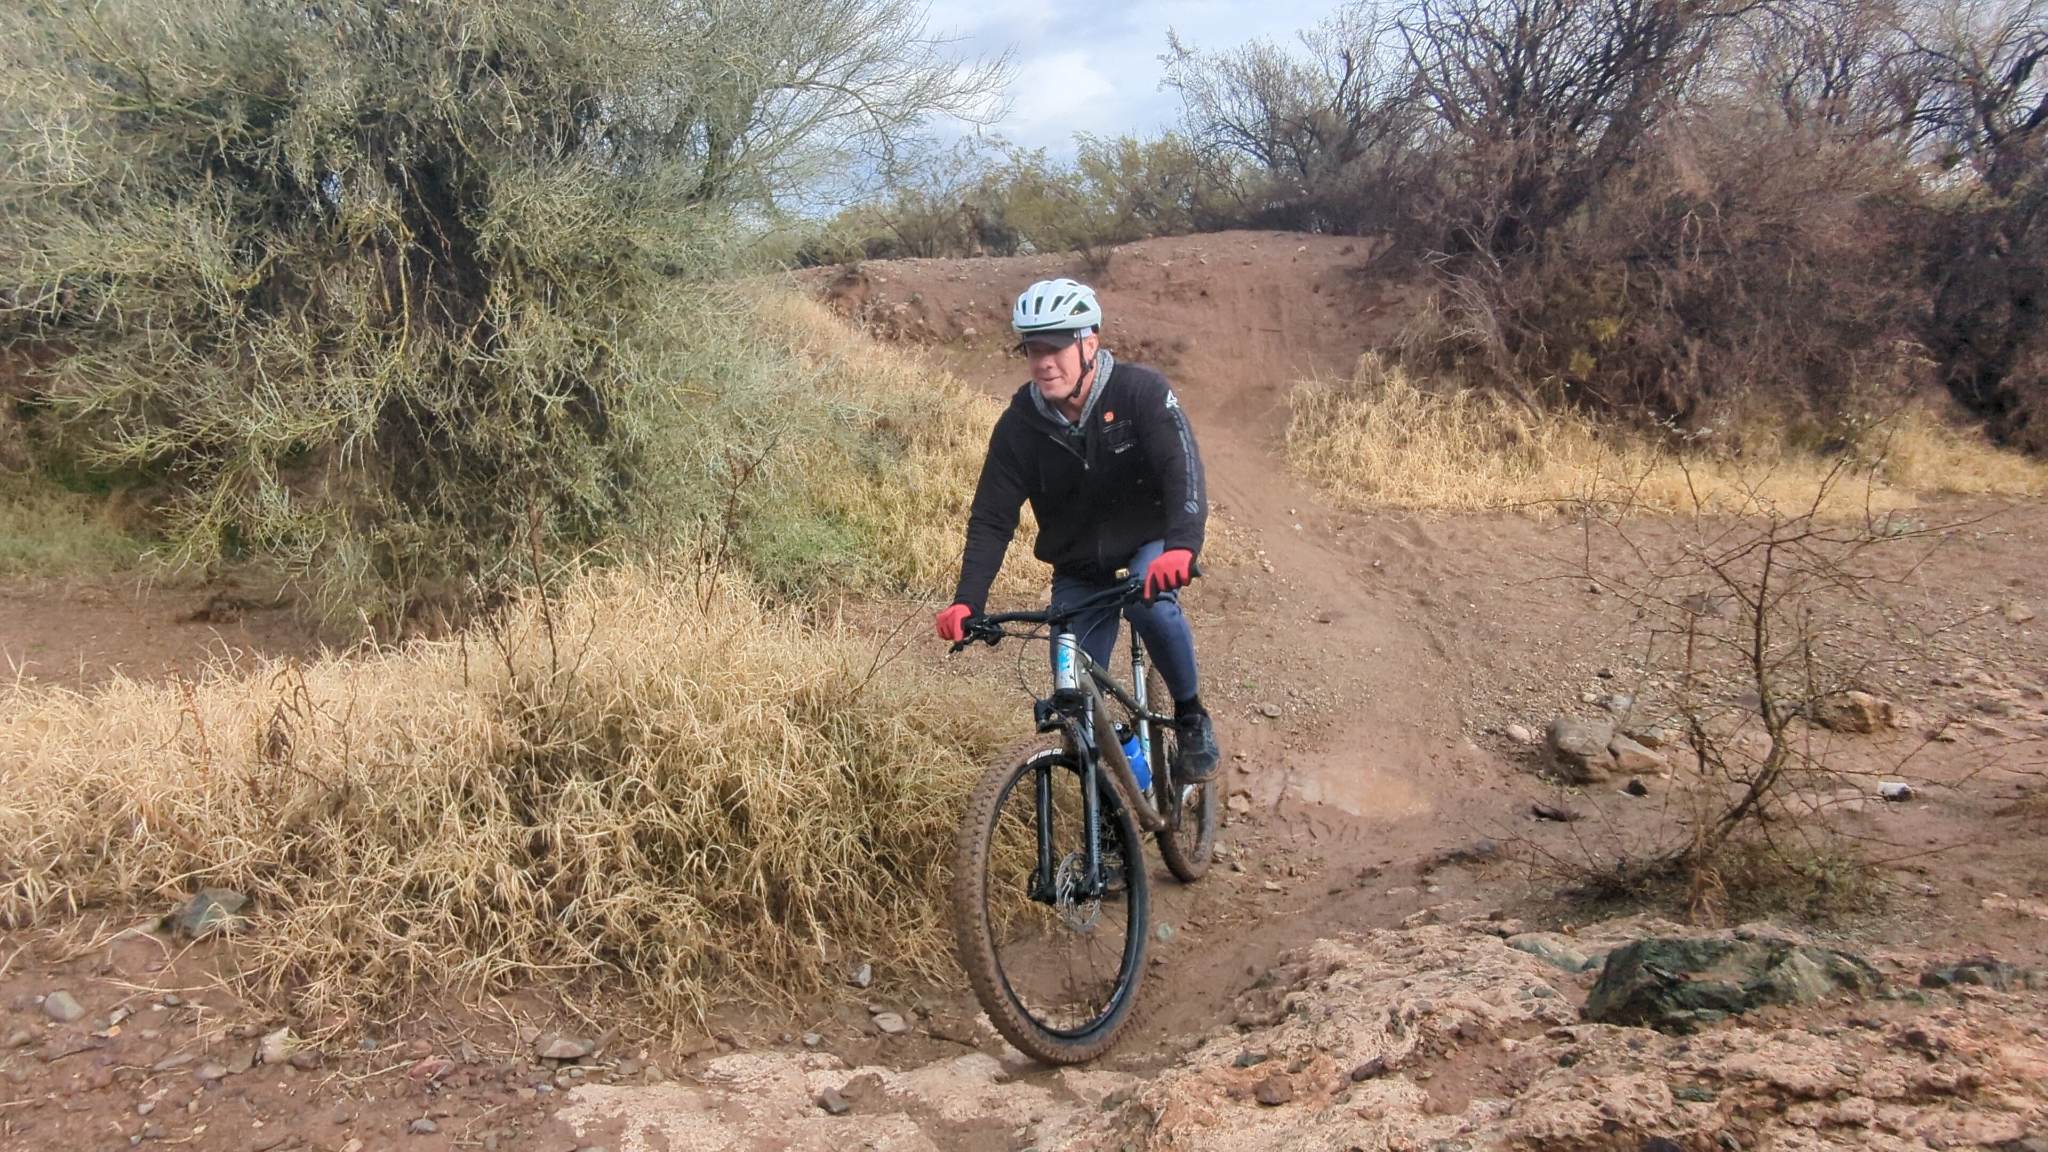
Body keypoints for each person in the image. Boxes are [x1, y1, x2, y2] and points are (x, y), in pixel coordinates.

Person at [935, 278, 1221, 781]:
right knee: (1073, 705)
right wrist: (967, 600)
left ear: (1089, 344)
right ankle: (1117, 809)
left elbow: (1183, 470)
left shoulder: (1140, 393)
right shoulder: (1020, 425)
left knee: (1147, 603)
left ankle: (1191, 715)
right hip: (1079, 568)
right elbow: (992, 518)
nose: (1043, 361)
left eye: (1056, 346)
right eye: (1032, 348)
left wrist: (1181, 547)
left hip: (1148, 545)